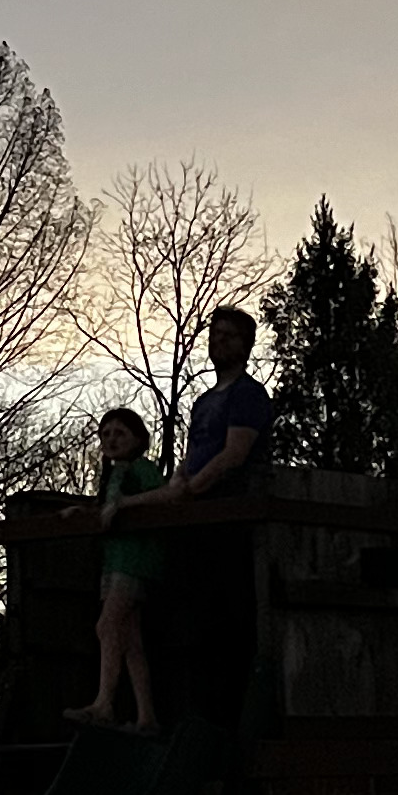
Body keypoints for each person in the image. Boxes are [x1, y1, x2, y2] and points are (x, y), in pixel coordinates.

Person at [102, 306, 274, 719]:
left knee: (230, 616)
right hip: (194, 516)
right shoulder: (202, 403)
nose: (219, 343)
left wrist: (191, 489)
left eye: (229, 336)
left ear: (247, 345)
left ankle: (229, 716)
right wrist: (178, 484)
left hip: (229, 514)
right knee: (189, 617)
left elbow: (233, 454)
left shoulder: (248, 395)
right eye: (215, 336)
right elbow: (194, 455)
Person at [65, 406, 164, 732]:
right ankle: (146, 716)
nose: (111, 439)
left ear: (138, 438)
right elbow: (106, 508)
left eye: (119, 433)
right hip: (114, 559)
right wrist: (85, 511)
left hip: (133, 560)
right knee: (129, 639)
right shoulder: (113, 475)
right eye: (106, 434)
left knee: (106, 626)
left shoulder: (143, 469)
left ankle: (104, 704)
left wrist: (123, 507)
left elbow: (162, 497)